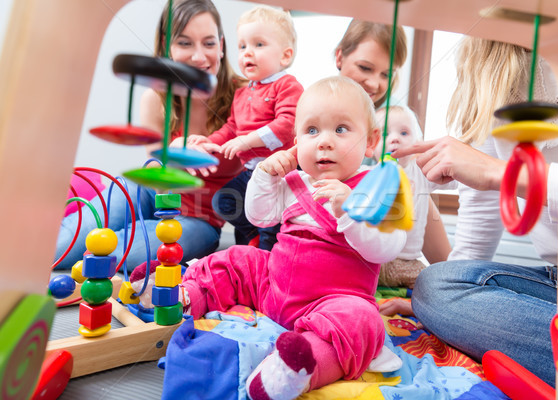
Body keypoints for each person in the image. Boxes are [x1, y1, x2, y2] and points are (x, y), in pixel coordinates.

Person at [134, 76, 407, 398]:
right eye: (312, 131)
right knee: (238, 259)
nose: (325, 142)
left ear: (372, 141)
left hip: (332, 301)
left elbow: (385, 249)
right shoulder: (293, 180)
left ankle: (297, 369)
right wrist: (264, 175)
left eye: (342, 129)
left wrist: (349, 210)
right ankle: (185, 294)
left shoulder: (375, 188)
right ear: (295, 140)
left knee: (363, 321)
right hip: (273, 285)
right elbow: (259, 216)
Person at [388, 37, 558, 387]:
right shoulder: (490, 77)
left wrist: (499, 172)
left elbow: (489, 175)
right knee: (433, 284)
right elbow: (480, 207)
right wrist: (434, 307)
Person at [54, 0, 245, 270]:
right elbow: (155, 177)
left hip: (201, 220)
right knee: (61, 246)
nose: (199, 57)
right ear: (166, 47)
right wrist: (172, 157)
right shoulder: (156, 99)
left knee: (109, 255)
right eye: (185, 43)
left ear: (222, 46)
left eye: (209, 43)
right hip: (148, 194)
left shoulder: (247, 96)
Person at [336, 19, 452, 266]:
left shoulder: (393, 123)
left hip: (381, 253)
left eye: (386, 74)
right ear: (339, 58)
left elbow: (421, 202)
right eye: (365, 68)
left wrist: (449, 275)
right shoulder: (316, 109)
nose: (375, 84)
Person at [195, 5, 302, 251]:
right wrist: (210, 142)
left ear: (285, 56)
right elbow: (232, 128)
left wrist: (247, 141)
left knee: (269, 230)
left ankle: (264, 258)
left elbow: (287, 125)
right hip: (251, 171)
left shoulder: (287, 86)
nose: (247, 53)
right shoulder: (243, 92)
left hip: (279, 173)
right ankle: (252, 238)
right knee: (224, 201)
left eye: (259, 45)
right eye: (242, 46)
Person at [372, 106, 457, 289]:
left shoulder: (421, 172)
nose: (394, 138)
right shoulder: (367, 175)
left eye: (404, 132)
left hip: (409, 262)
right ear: (370, 145)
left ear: (417, 141)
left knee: (435, 288)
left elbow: (459, 181)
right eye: (385, 133)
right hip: (374, 263)